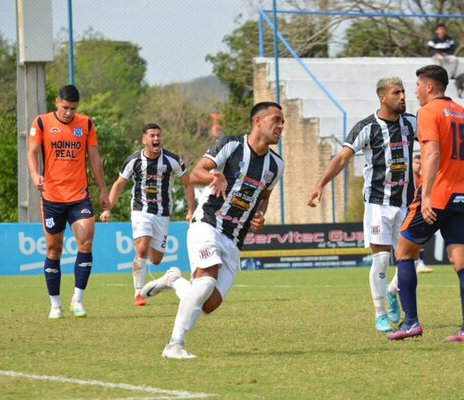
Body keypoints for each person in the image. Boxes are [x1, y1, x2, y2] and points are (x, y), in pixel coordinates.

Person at [138, 102, 285, 359]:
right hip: (207, 223)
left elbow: (264, 196)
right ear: (258, 122)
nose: (281, 126)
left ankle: (174, 280)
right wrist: (215, 178)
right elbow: (196, 173)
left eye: (283, 122)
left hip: (235, 239)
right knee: (205, 281)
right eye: (276, 120)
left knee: (207, 303)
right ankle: (174, 344)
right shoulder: (231, 145)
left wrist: (260, 215)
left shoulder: (276, 165)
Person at [308, 76, 416, 334]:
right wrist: (320, 184)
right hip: (378, 203)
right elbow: (342, 159)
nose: (402, 97)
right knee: (380, 259)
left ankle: (391, 292)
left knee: (409, 257)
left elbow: (436, 145)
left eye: (404, 92)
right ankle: (379, 314)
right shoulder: (366, 127)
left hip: (406, 202)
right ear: (382, 97)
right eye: (396, 92)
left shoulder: (412, 123)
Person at [387, 65, 464, 342]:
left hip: (438, 195)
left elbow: (432, 154)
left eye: (417, 85)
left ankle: (412, 323)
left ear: (429, 86)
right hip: (463, 197)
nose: (414, 91)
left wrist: (426, 195)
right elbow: (458, 152)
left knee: (405, 251)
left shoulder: (427, 111)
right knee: (462, 261)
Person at [27, 84, 110, 319]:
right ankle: (55, 305)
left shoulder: (86, 124)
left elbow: (95, 159)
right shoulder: (41, 122)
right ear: (56, 102)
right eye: (65, 107)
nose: (69, 113)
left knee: (86, 239)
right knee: (54, 249)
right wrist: (35, 175)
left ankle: (78, 300)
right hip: (52, 197)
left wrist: (103, 190)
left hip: (78, 196)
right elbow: (32, 152)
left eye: (73, 109)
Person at [99, 123, 195, 306]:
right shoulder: (134, 160)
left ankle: (166, 278)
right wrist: (108, 208)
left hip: (162, 212)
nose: (156, 139)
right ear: (144, 140)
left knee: (157, 260)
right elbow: (119, 184)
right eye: (152, 136)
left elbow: (188, 184)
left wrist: (190, 210)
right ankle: (138, 294)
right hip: (140, 210)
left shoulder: (172, 160)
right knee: (142, 247)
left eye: (158, 135)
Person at [412, 154, 433, 274]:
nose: (418, 165)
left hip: (420, 209)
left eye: (420, 163)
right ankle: (417, 263)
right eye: (416, 163)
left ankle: (420, 263)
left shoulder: (423, 177)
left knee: (420, 238)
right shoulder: (411, 176)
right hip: (411, 209)